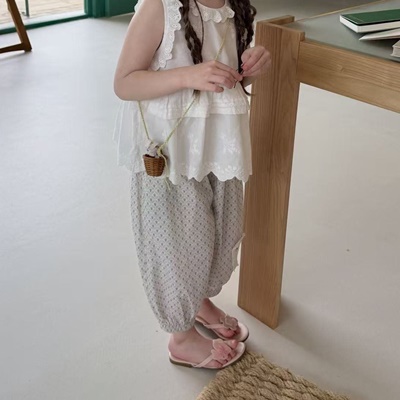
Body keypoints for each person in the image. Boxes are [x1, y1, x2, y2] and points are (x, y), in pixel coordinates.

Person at [113, 0, 271, 370]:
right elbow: (124, 82)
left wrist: (249, 69)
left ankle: (196, 300)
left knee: (217, 231)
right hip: (173, 153)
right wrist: (188, 76)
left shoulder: (232, 7)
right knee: (178, 242)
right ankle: (181, 337)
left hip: (218, 145)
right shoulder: (161, 6)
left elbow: (223, 74)